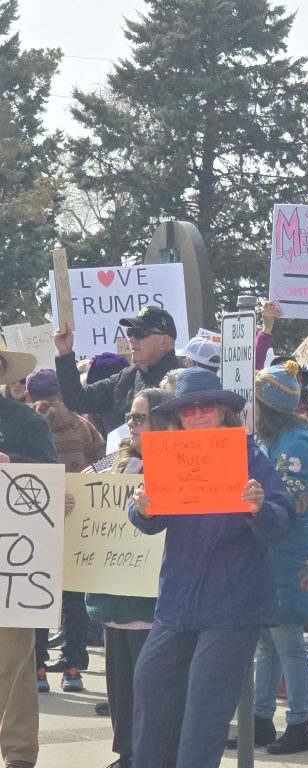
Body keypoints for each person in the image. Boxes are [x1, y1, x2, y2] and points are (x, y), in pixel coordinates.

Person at [128, 367, 293, 768]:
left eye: (207, 405)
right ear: (178, 416)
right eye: (189, 408)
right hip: (178, 599)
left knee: (206, 704)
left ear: (222, 411)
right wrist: (141, 508)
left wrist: (259, 508)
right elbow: (148, 518)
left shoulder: (250, 455)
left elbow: (283, 520)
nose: (198, 413)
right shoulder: (168, 455)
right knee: (150, 684)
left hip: (232, 604)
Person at [85, 387, 171, 768]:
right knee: (120, 687)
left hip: (152, 602)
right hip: (115, 598)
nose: (130, 426)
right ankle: (126, 754)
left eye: (140, 418)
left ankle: (147, 755)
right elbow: (81, 490)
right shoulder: (112, 464)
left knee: (149, 688)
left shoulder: (175, 468)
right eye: (130, 417)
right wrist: (72, 500)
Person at [247, 362, 308, 755]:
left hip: (288, 549)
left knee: (288, 639)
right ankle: (260, 718)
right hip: (269, 548)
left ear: (267, 406)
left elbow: (292, 499)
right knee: (266, 640)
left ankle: (299, 723)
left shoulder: (295, 441)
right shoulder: (275, 438)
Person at [25, 368, 106, 694]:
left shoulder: (28, 423)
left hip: (38, 520)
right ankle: (73, 668)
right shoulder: (83, 425)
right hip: (79, 520)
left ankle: (39, 669)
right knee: (74, 599)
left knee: (40, 594)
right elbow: (104, 463)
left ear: (30, 395)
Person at [0, 349, 57, 768]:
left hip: (14, 559)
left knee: (16, 662)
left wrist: (12, 463)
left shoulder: (26, 420)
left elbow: (50, 476)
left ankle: (19, 755)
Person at [54, 306, 182, 436]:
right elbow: (77, 399)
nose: (131, 339)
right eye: (130, 332)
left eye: (140, 333)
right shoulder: (125, 377)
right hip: (127, 456)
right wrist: (65, 354)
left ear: (164, 342)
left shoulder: (183, 381)